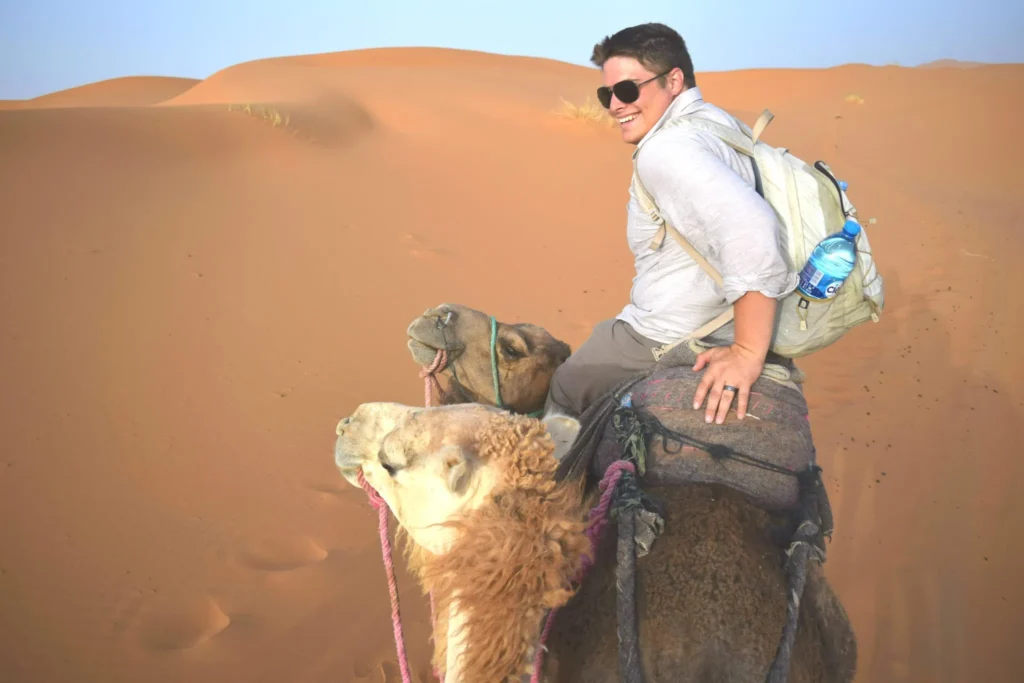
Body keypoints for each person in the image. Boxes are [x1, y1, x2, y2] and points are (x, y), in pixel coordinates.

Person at [544, 22, 797, 426]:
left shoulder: (665, 150)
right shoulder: (721, 125)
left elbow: (752, 226)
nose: (614, 106)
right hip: (724, 321)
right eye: (605, 94)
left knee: (565, 388)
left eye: (627, 90)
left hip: (668, 335)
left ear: (673, 80)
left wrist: (748, 353)